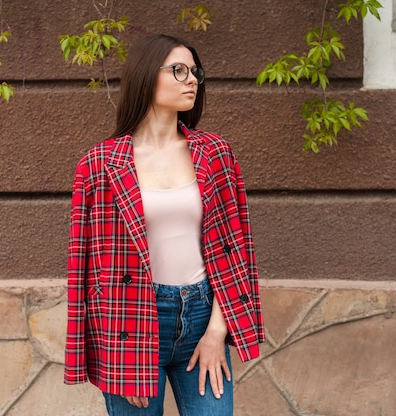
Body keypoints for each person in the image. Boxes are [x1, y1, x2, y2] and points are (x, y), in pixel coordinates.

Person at [64, 33, 265, 416]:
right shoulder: (100, 165)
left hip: (202, 315)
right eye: (178, 70)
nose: (191, 79)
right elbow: (89, 271)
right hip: (134, 321)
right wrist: (121, 362)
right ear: (145, 76)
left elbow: (234, 249)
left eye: (194, 71)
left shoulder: (215, 154)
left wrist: (216, 331)